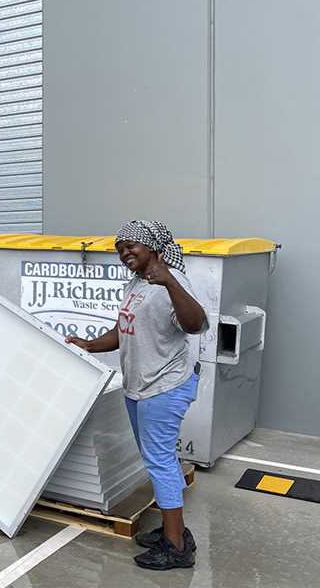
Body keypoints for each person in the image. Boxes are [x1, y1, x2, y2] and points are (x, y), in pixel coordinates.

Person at [66, 220, 207, 571]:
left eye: (132, 246)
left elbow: (196, 324)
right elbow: (123, 331)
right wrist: (89, 345)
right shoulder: (136, 283)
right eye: (120, 248)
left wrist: (170, 281)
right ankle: (174, 531)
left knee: (159, 462)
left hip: (165, 386)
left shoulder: (171, 282)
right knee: (158, 460)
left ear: (154, 249)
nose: (125, 252)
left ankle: (176, 548)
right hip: (140, 386)